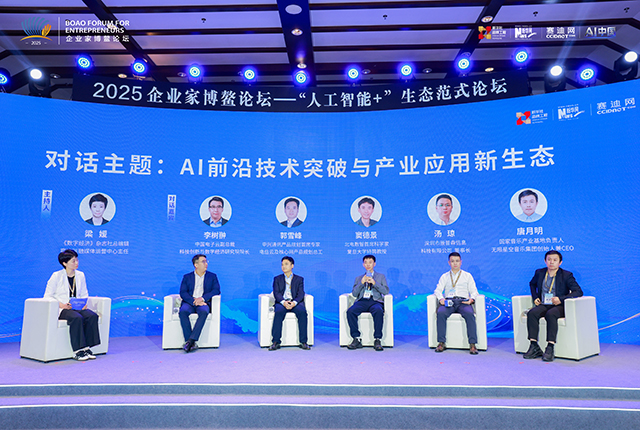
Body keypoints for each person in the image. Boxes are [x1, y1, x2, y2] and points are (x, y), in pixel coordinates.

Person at [523, 250, 583, 362]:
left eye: (555, 260)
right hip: (544, 304)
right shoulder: (540, 272)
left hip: (559, 306)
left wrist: (561, 299)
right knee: (532, 313)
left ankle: (550, 347)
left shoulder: (566, 275)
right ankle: (534, 345)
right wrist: (535, 297)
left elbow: (578, 292)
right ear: (545, 261)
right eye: (549, 259)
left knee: (551, 314)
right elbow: (532, 284)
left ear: (560, 262)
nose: (551, 262)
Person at [44, 249, 101, 361]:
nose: (76, 263)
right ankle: (77, 351)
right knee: (77, 318)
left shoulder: (80, 275)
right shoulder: (56, 276)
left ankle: (86, 347)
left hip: (77, 307)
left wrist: (84, 303)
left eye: (77, 260)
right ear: (65, 263)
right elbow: (47, 296)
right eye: (73, 261)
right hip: (63, 309)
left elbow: (84, 293)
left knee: (92, 316)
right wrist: (61, 305)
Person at [433, 252, 479, 355]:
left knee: (469, 314)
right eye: (452, 261)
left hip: (463, 301)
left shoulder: (467, 276)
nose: (455, 263)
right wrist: (441, 299)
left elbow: (474, 291)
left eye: (457, 261)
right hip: (449, 301)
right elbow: (437, 290)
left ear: (461, 262)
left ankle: (472, 344)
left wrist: (471, 299)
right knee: (441, 313)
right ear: (449, 263)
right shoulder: (445, 276)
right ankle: (441, 343)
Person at [179, 254, 221, 352]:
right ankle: (190, 341)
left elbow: (216, 290)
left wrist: (202, 299)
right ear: (196, 265)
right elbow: (183, 292)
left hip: (203, 302)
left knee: (204, 311)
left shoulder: (212, 276)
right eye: (203, 262)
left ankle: (190, 341)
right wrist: (194, 301)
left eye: (206, 261)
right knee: (183, 311)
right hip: (190, 302)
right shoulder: (187, 277)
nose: (206, 264)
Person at [347, 255, 389, 351]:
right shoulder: (358, 278)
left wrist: (374, 283)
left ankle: (377, 339)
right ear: (363, 265)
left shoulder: (381, 277)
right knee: (350, 311)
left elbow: (386, 291)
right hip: (362, 301)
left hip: (375, 301)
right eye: (366, 262)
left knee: (378, 311)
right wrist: (361, 283)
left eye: (370, 262)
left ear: (374, 264)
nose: (368, 264)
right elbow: (354, 294)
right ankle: (356, 338)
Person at [268, 256, 310, 350]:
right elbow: (276, 293)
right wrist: (283, 302)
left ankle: (303, 342)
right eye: (282, 264)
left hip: (295, 302)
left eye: (286, 264)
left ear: (292, 265)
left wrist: (294, 303)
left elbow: (301, 293)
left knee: (302, 312)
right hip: (282, 302)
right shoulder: (277, 279)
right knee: (278, 312)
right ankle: (276, 342)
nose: (284, 266)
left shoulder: (299, 279)